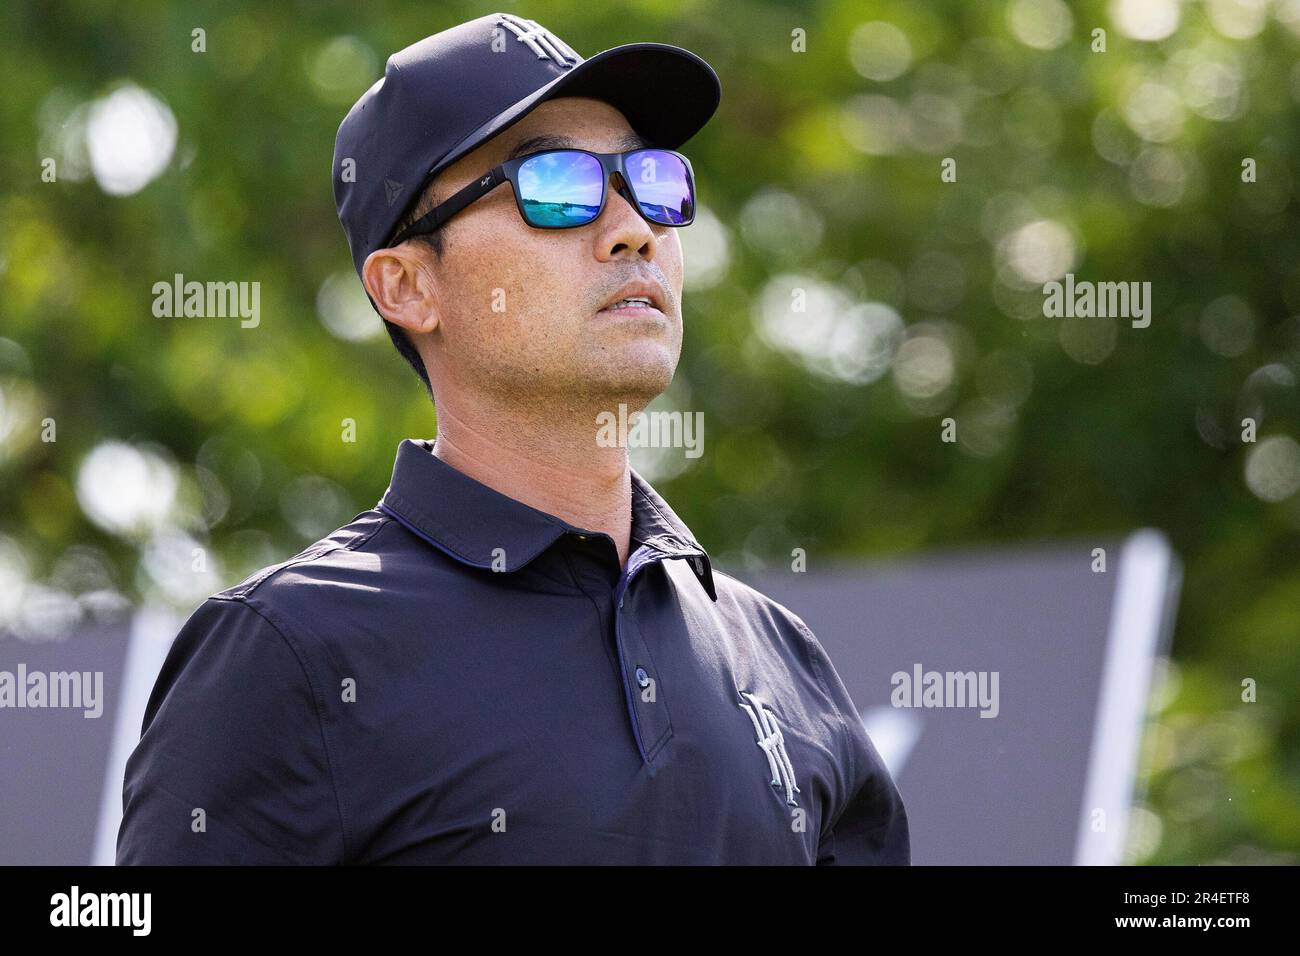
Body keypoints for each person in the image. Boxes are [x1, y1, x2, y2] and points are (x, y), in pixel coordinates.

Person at [116, 12, 909, 865]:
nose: (634, 227)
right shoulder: (288, 654)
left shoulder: (782, 660)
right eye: (556, 183)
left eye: (652, 180)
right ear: (409, 287)